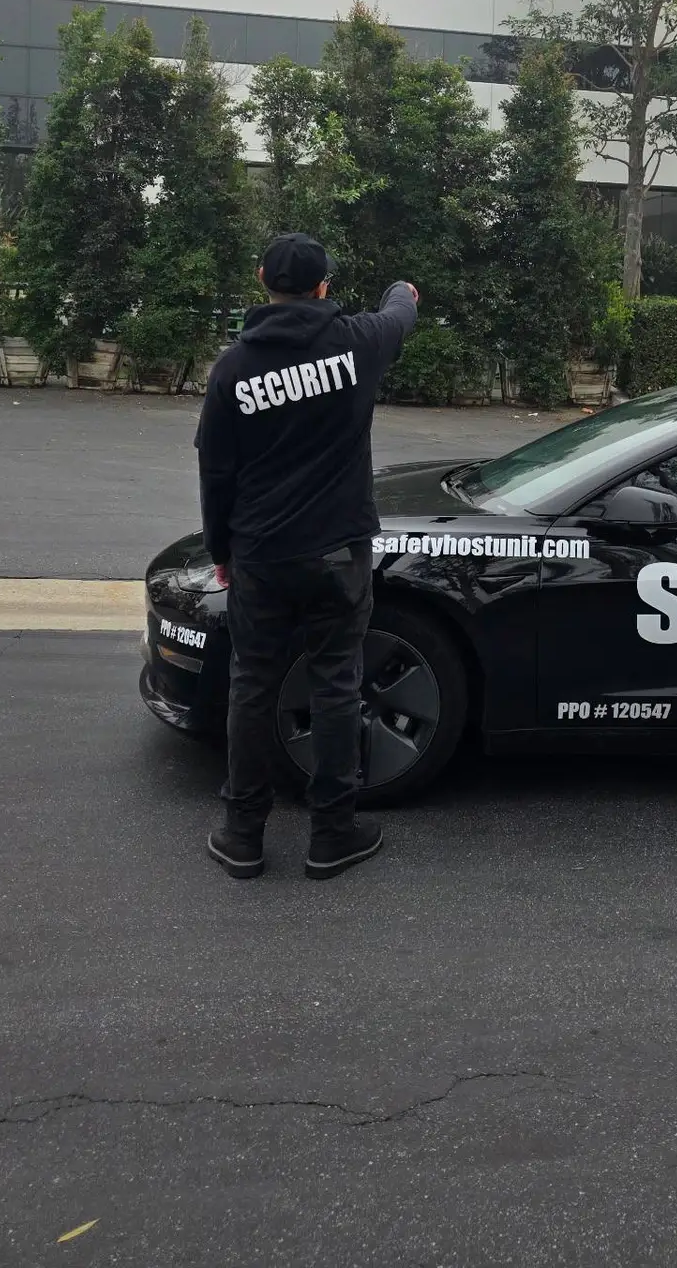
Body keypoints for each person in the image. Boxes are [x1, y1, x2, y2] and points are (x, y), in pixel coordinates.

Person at [195, 233, 418, 881]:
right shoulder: (357, 343)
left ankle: (242, 834)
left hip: (262, 556)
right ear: (324, 285)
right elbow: (400, 311)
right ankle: (332, 833)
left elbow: (216, 471)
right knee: (336, 685)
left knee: (253, 688)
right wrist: (402, 289)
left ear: (262, 277)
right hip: (337, 553)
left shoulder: (233, 369)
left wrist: (222, 550)